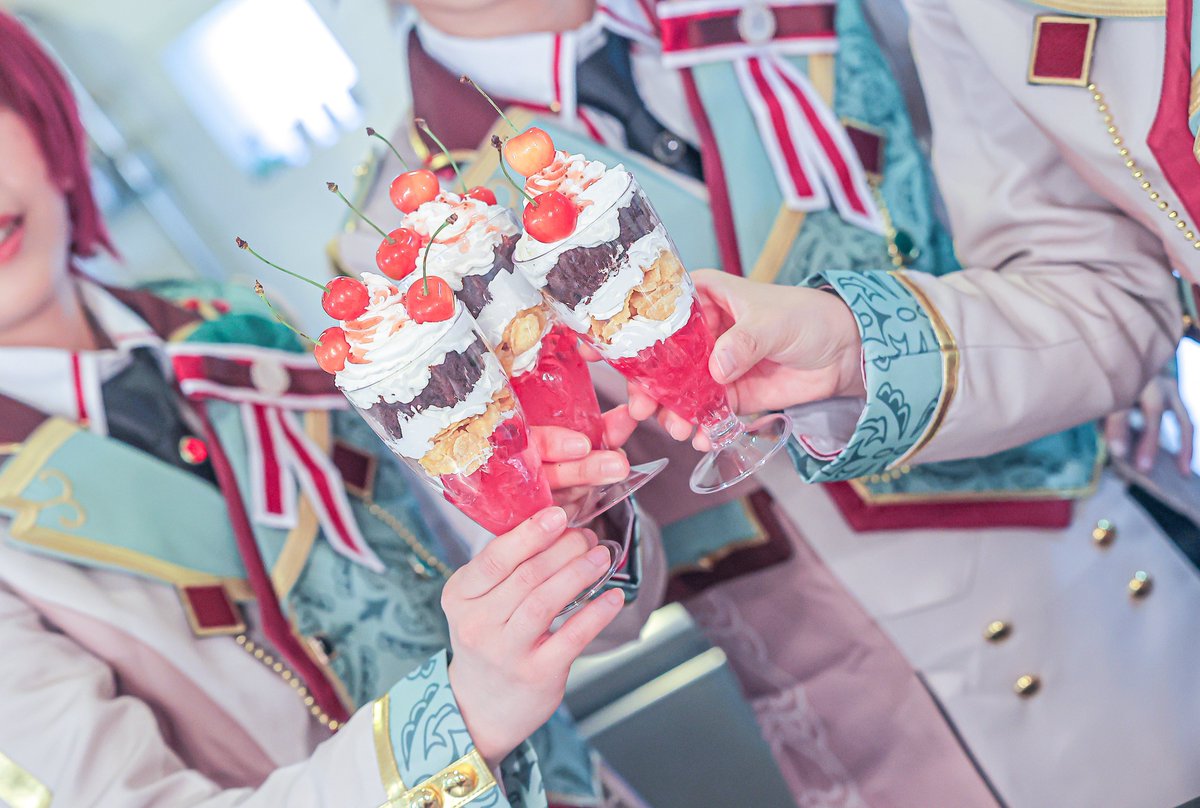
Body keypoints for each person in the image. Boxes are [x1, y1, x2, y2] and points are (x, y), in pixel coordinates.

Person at [374, 1, 1200, 805]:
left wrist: (1109, 324)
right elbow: (580, 616)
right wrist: (567, 512)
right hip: (918, 695)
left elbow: (1054, 219)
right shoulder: (402, 251)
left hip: (1122, 511)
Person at [0, 12, 658, 807]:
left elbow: (598, 617)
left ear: (38, 115)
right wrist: (455, 723)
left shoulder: (241, 322)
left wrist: (551, 517)